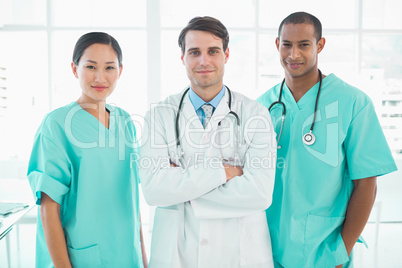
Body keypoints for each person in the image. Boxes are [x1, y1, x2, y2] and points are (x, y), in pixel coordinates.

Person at [257, 12, 397, 268]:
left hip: (323, 249)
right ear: (277, 45)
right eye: (287, 44)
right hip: (265, 247)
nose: (294, 54)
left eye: (304, 45)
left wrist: (341, 250)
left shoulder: (353, 103)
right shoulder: (262, 106)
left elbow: (366, 184)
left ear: (320, 45)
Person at [139, 16, 276, 268]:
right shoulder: (159, 115)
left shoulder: (256, 114)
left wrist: (182, 190)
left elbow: (260, 193)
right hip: (177, 255)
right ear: (183, 58)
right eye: (194, 52)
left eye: (213, 51)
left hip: (240, 255)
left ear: (226, 54)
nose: (204, 61)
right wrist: (226, 172)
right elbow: (153, 189)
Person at [27, 32, 148, 268]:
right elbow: (49, 209)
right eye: (91, 66)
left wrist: (143, 260)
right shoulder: (57, 125)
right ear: (75, 69)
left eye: (109, 68)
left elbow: (131, 200)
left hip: (127, 256)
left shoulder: (125, 122)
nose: (100, 77)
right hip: (81, 258)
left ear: (120, 71)